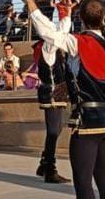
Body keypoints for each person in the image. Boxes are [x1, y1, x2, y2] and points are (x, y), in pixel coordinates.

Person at [24, 0, 105, 199]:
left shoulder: (79, 43)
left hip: (87, 120)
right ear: (103, 18)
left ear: (82, 19)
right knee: (104, 179)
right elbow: (98, 78)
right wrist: (70, 86)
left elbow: (46, 31)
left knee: (83, 181)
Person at [31, 22, 71, 184]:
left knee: (56, 129)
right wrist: (66, 13)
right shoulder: (48, 47)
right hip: (52, 93)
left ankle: (44, 163)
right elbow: (62, 31)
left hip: (57, 92)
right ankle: (49, 169)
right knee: (53, 131)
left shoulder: (54, 50)